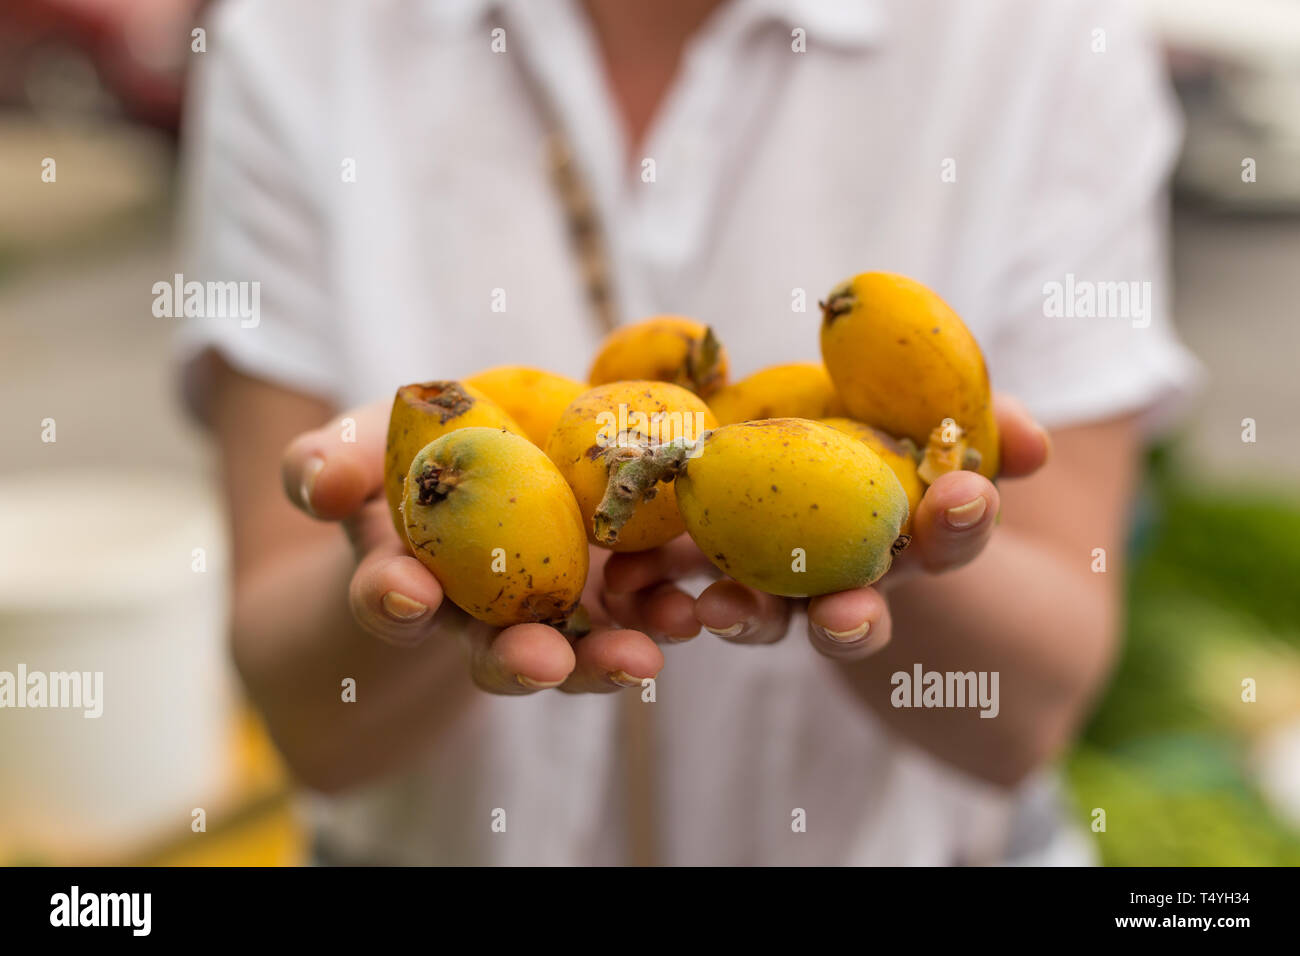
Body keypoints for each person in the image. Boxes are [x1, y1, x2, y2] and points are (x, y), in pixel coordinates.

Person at [179, 0, 1200, 865]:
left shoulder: (1042, 34)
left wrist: (909, 554)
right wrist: (407, 565)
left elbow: (1027, 714)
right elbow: (310, 723)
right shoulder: (296, 30)